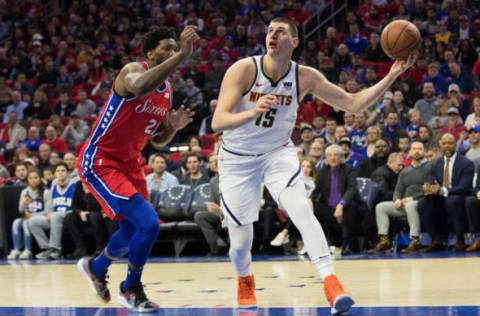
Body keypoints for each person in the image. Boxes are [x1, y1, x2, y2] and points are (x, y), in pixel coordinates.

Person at [211, 17, 416, 314]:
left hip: (277, 154)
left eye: (280, 32)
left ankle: (331, 283)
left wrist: (392, 75)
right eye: (269, 31)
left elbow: (354, 104)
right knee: (240, 245)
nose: (272, 35)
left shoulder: (305, 77)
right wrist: (252, 112)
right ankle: (245, 279)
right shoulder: (244, 69)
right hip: (237, 159)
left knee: (301, 210)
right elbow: (219, 121)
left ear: (294, 42)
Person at [76, 25, 198, 313]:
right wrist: (181, 54)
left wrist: (173, 127)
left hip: (130, 163)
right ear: (149, 53)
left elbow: (157, 140)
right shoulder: (132, 71)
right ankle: (130, 288)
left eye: (173, 47)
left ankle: (96, 268)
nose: (170, 52)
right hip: (101, 160)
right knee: (149, 223)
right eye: (165, 48)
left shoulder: (166, 91)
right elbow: (140, 86)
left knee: (133, 231)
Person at [418, 133, 474, 252]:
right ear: (440, 146)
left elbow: (465, 187)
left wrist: (443, 190)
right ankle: (436, 239)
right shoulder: (435, 164)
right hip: (439, 197)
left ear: (456, 145)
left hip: (459, 196)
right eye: (444, 143)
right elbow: (431, 180)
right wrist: (428, 187)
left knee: (452, 200)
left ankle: (460, 239)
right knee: (423, 203)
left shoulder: (466, 163)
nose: (447, 146)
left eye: (450, 143)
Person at [372, 141, 428, 255]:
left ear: (424, 152)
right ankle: (384, 241)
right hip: (405, 203)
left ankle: (415, 241)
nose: (417, 151)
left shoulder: (430, 168)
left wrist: (413, 198)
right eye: (414, 149)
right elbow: (398, 190)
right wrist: (396, 199)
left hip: (422, 202)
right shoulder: (405, 171)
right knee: (381, 207)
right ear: (410, 152)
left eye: (420, 148)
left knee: (411, 205)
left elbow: (430, 188)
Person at [29, 162, 76, 260]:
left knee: (55, 216)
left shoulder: (74, 187)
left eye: (63, 171)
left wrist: (54, 214)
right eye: (58, 171)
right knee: (33, 221)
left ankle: (56, 250)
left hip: (68, 217)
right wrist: (34, 214)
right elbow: (49, 209)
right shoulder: (53, 189)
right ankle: (46, 248)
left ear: (67, 173)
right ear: (54, 174)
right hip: (54, 218)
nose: (60, 173)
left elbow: (75, 208)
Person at [6, 168, 48, 260]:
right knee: (16, 222)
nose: (33, 180)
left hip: (39, 218)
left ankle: (28, 250)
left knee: (26, 223)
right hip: (27, 217)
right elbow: (20, 210)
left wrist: (33, 216)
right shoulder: (25, 192)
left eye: (35, 178)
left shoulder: (45, 192)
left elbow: (48, 211)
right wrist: (24, 204)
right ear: (27, 180)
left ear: (40, 179)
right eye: (30, 178)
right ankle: (17, 249)